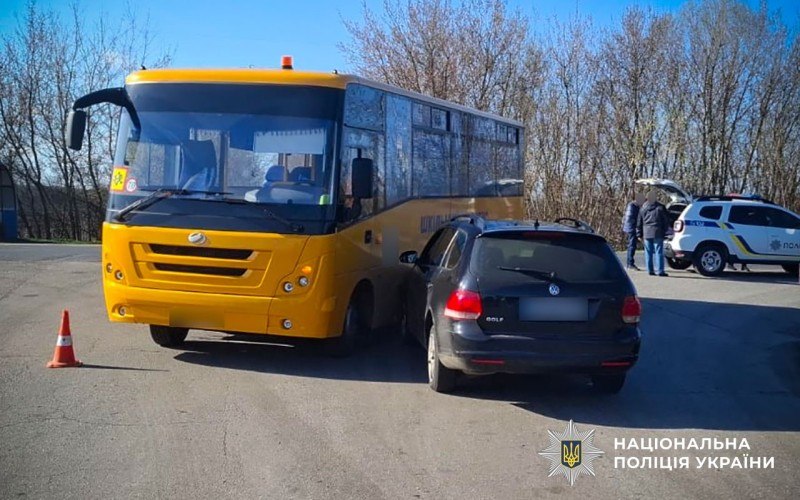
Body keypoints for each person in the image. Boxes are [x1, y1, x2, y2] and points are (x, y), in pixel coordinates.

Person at [637, 190, 671, 277]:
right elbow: (666, 220)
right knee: (659, 252)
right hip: (658, 231)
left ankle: (650, 270)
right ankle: (660, 271)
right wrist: (664, 230)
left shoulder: (643, 208)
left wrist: (639, 234)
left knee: (648, 252)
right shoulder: (660, 207)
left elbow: (639, 222)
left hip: (647, 232)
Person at [622, 192, 645, 270]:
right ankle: (630, 263)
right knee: (632, 246)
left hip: (628, 228)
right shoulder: (634, 207)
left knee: (631, 245)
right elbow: (636, 219)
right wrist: (637, 230)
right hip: (632, 228)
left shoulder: (631, 205)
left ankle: (630, 263)